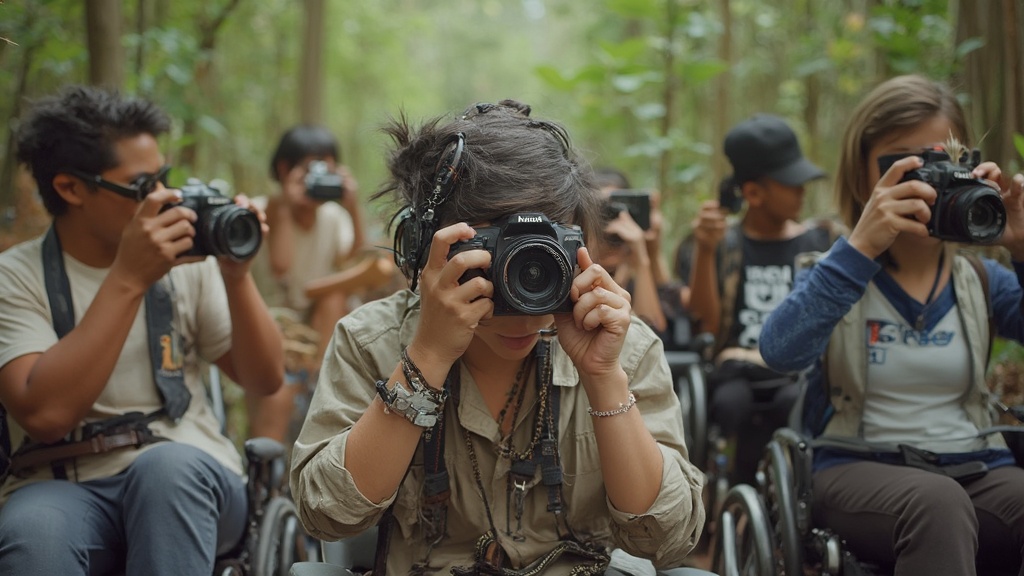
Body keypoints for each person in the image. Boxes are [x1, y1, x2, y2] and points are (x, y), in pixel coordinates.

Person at [290, 100, 705, 574]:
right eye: (494, 257)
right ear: (430, 249)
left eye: (544, 259)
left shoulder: (622, 347)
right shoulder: (372, 341)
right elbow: (327, 514)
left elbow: (670, 539)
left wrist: (604, 377)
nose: (524, 303)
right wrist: (425, 357)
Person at [0, 85, 284, 575]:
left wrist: (237, 277)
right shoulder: (16, 278)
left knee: (167, 472)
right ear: (70, 188)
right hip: (59, 482)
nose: (161, 198)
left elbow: (263, 379)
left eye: (162, 179)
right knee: (35, 533)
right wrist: (129, 278)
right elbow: (44, 414)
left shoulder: (187, 260)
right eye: (140, 187)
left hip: (187, 470)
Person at [759, 74, 1024, 574]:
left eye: (943, 160)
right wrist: (860, 248)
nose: (929, 180)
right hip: (856, 465)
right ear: (864, 179)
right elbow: (780, 351)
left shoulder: (982, 282)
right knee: (937, 503)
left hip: (976, 463)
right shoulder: (834, 273)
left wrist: (1023, 249)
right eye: (908, 163)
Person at [684, 114, 837, 482]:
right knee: (730, 403)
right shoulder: (724, 244)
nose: (802, 191)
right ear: (753, 193)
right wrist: (705, 251)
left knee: (795, 404)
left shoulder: (818, 243)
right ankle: (726, 488)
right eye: (791, 183)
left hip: (794, 374)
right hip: (736, 377)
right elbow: (704, 324)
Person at [248, 124, 367, 442]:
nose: (319, 178)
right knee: (278, 398)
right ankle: (264, 483)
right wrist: (286, 206)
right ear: (285, 169)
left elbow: (352, 255)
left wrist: (351, 205)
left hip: (319, 322)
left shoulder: (332, 216)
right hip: (274, 321)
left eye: (327, 170)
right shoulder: (262, 210)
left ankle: (315, 376)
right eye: (310, 169)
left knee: (334, 296)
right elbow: (281, 266)